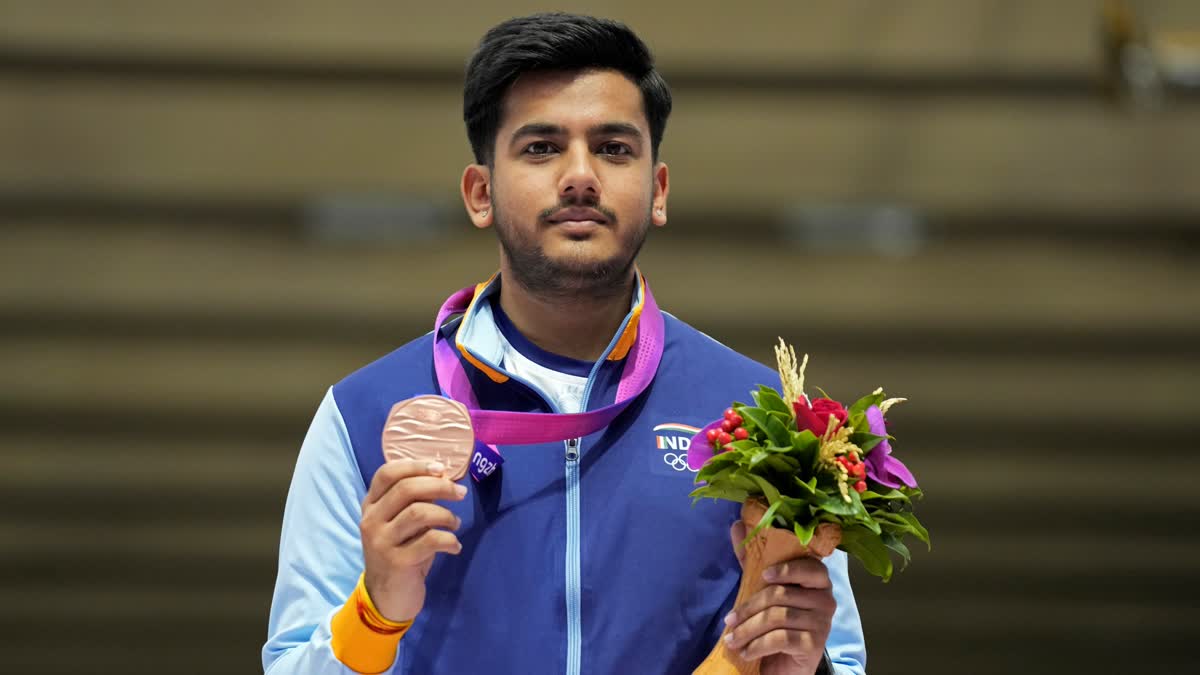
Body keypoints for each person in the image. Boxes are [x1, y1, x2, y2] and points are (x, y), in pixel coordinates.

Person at [263, 13, 866, 675]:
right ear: (480, 192)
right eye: (541, 148)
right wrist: (376, 612)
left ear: (658, 189)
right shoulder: (362, 415)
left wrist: (805, 667)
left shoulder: (764, 418)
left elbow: (836, 656)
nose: (580, 175)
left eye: (613, 148)